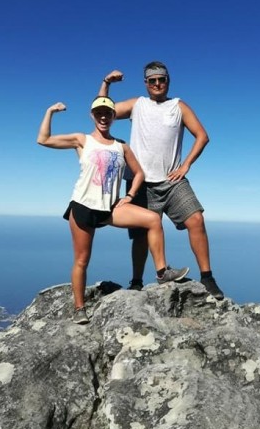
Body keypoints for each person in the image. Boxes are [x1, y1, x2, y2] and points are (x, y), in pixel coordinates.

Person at [37, 95, 189, 324]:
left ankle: (162, 272)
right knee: (82, 260)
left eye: (107, 113)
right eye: (99, 113)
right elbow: (44, 139)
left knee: (153, 220)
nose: (103, 117)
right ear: (92, 115)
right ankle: (79, 308)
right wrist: (50, 112)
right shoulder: (82, 140)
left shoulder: (121, 146)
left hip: (109, 208)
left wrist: (129, 196)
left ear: (113, 117)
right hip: (83, 206)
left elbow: (139, 173)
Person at [98, 61, 224, 300]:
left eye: (161, 79)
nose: (157, 84)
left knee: (196, 219)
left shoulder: (178, 106)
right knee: (140, 235)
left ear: (168, 81)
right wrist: (106, 83)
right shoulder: (137, 104)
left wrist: (185, 165)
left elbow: (202, 136)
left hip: (172, 180)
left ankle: (207, 278)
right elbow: (102, 109)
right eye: (152, 80)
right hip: (140, 182)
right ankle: (136, 282)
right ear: (146, 83)